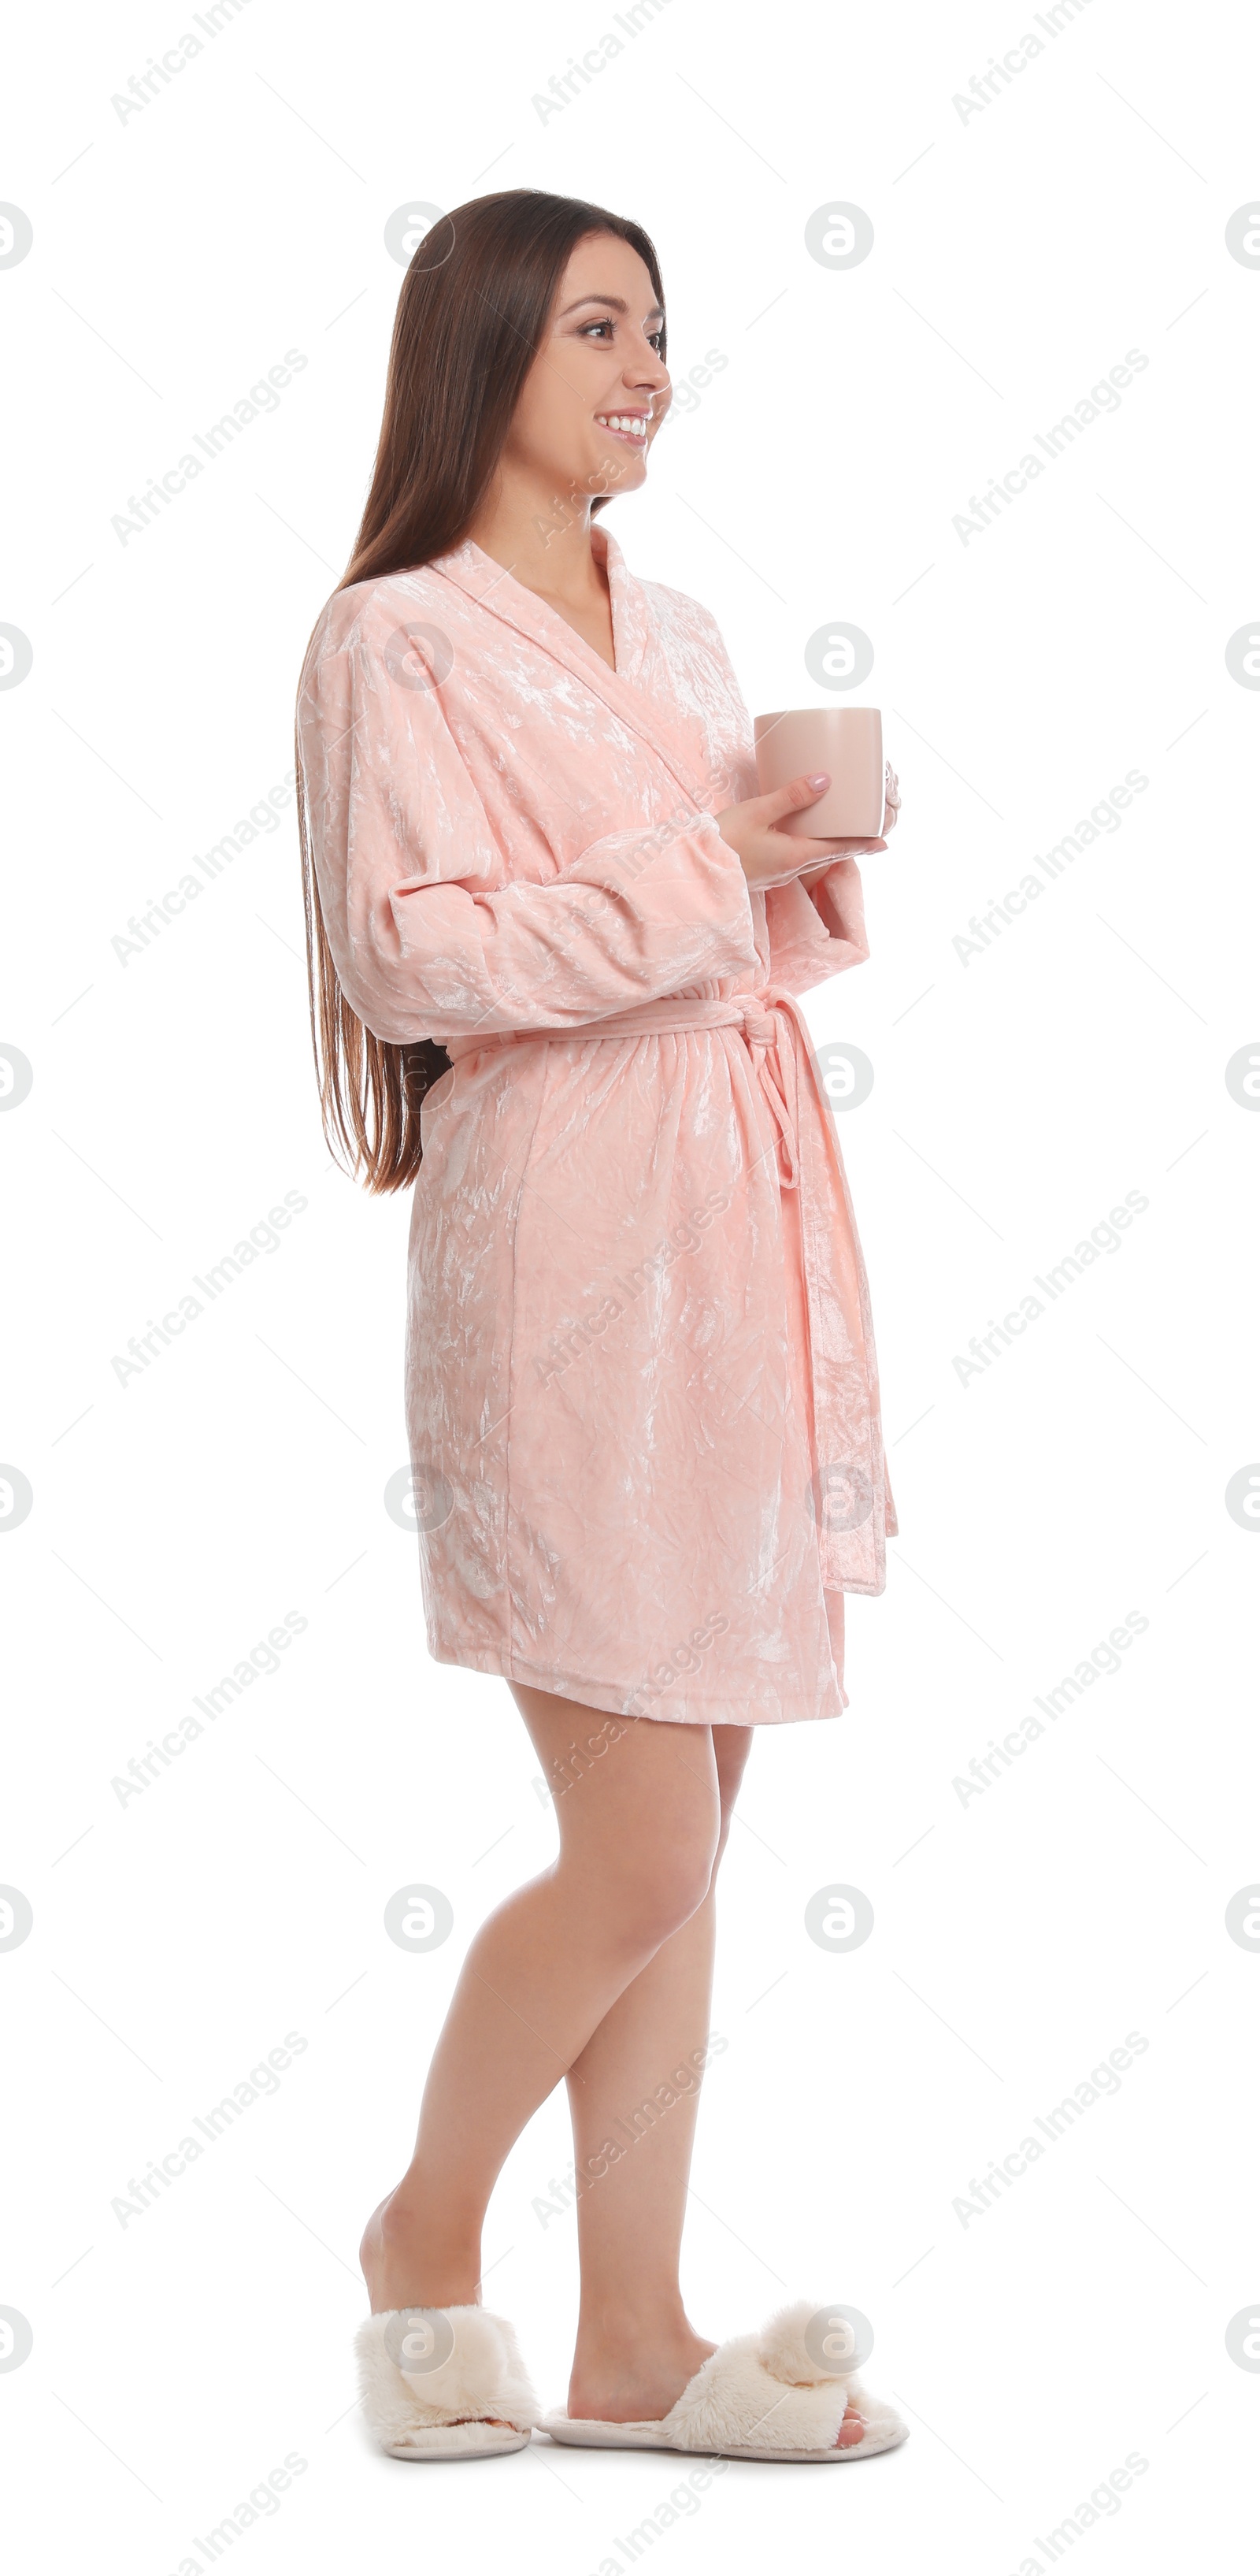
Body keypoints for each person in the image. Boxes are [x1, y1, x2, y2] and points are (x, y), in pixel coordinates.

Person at [296, 187, 906, 2467]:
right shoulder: (399, 642)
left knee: (702, 1831)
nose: (648, 364)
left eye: (659, 327)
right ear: (485, 355)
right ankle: (422, 2238)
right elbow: (418, 961)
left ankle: (634, 2337)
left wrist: (796, 863)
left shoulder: (688, 627)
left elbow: (725, 947)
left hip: (731, 1240)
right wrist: (704, 873)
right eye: (596, 327)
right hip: (559, 1271)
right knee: (637, 1842)